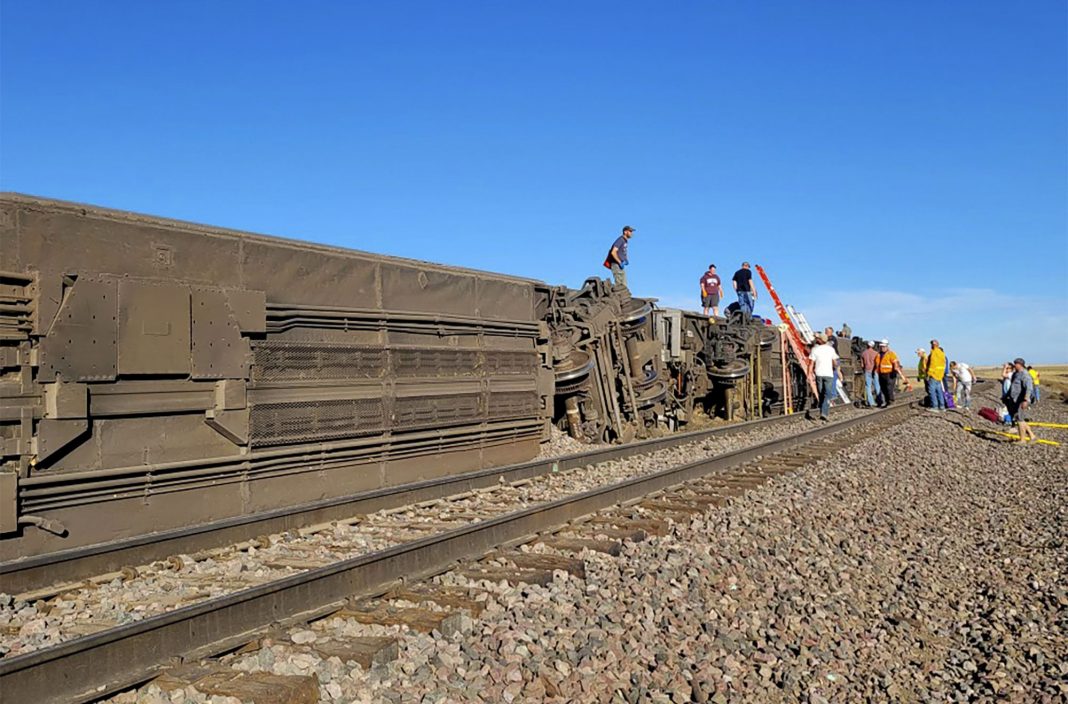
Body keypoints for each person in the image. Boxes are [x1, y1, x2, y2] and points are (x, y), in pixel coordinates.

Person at [808, 333, 839, 421]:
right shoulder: (831, 349)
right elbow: (835, 362)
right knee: (827, 394)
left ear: (819, 340)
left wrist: (809, 374)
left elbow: (811, 364)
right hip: (828, 374)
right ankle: (824, 412)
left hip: (819, 374)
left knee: (821, 392)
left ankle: (823, 411)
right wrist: (835, 367)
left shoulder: (814, 350)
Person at [1004, 358, 1036, 443]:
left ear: (1020, 364)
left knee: (1020, 420)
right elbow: (1012, 386)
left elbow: (1029, 388)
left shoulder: (1025, 374)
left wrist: (1025, 400)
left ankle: (1022, 440)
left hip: (1021, 400)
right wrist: (1006, 396)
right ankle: (1032, 436)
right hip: (1014, 400)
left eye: (1016, 363)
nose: (1014, 365)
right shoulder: (1015, 374)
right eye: (1014, 363)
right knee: (1018, 418)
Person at [875, 339, 910, 406]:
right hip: (881, 374)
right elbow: (876, 364)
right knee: (883, 388)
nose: (882, 348)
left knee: (889, 388)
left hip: (890, 374)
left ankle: (891, 401)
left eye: (884, 346)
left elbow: (895, 362)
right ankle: (887, 401)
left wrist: (896, 369)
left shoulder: (891, 354)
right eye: (881, 346)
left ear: (887, 346)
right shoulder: (878, 355)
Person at [924, 339, 948, 412]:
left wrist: (928, 374)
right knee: (939, 391)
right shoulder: (942, 353)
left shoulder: (934, 352)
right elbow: (943, 364)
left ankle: (935, 406)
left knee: (932, 391)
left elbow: (932, 364)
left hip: (933, 375)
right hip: (939, 375)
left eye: (931, 344)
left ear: (933, 345)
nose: (931, 346)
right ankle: (942, 406)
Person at [860, 340, 881, 407]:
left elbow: (862, 365)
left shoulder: (863, 353)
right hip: (874, 371)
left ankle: (871, 402)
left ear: (867, 345)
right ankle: (879, 401)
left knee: (868, 387)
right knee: (877, 386)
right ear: (873, 346)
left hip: (867, 371)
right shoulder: (876, 353)